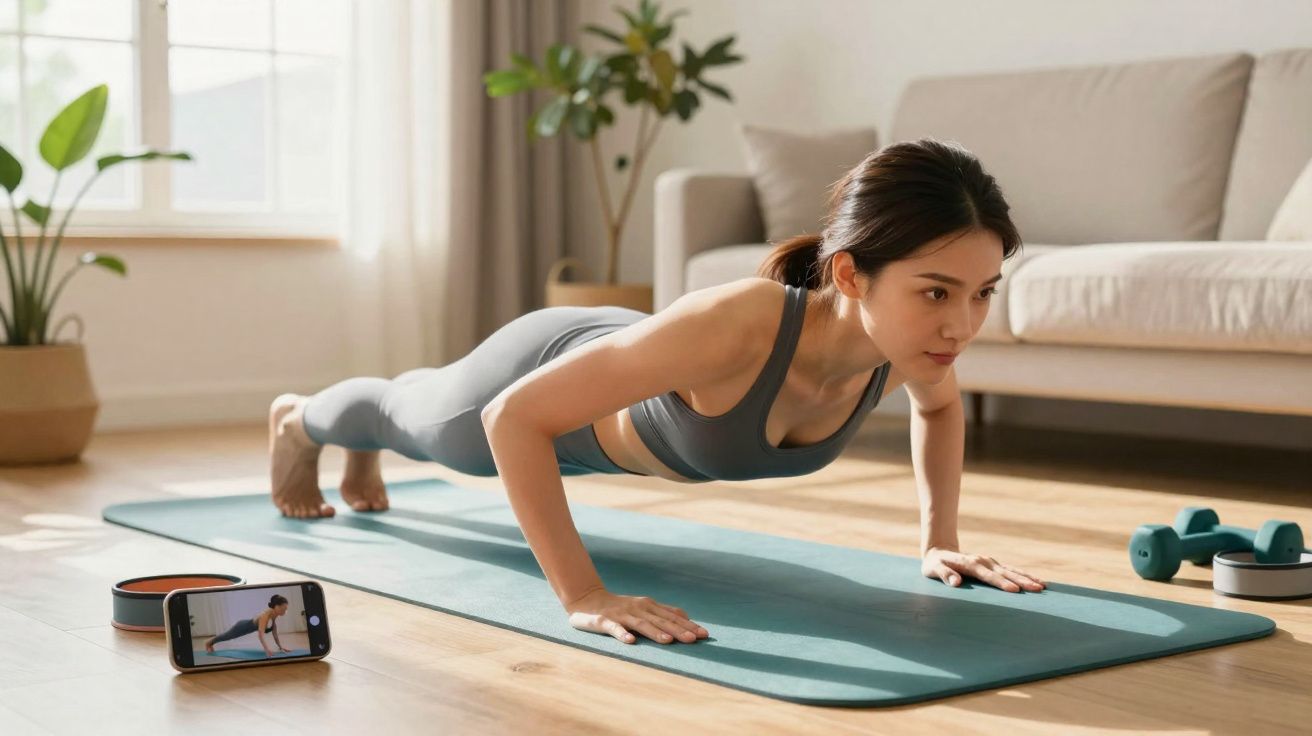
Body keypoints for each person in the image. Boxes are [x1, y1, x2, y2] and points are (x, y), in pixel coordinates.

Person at [267, 137, 1047, 647]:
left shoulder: (905, 340)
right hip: (539, 373)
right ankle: (301, 420)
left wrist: (937, 537)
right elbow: (512, 417)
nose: (964, 324)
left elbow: (939, 410)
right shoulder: (742, 322)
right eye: (939, 292)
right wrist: (586, 594)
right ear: (850, 274)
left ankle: (358, 447)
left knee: (408, 417)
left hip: (641, 365)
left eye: (983, 292)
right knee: (417, 419)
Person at [204, 594, 293, 658]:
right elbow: (260, 635)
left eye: (286, 609)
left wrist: (281, 647)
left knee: (227, 636)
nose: (285, 611)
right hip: (242, 626)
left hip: (248, 628)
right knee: (227, 636)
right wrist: (267, 649)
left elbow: (275, 633)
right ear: (277, 607)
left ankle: (210, 643)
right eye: (284, 609)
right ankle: (209, 642)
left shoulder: (275, 614)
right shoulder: (265, 616)